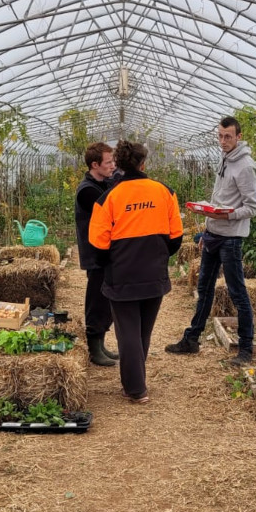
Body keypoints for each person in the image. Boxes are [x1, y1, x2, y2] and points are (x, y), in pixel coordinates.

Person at [89, 140, 183, 403]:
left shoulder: (108, 198)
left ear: (118, 164)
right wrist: (158, 256)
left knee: (127, 330)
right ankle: (137, 381)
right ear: (143, 164)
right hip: (154, 273)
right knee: (143, 330)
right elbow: (176, 238)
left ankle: (135, 389)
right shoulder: (165, 191)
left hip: (122, 275)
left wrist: (114, 261)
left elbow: (98, 244)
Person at [165, 116, 256, 367]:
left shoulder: (246, 166)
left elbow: (252, 207)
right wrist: (208, 218)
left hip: (230, 239)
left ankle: (246, 349)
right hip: (213, 235)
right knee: (204, 288)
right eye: (220, 136)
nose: (223, 141)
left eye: (228, 136)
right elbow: (222, 197)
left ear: (239, 136)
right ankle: (192, 339)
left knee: (237, 293)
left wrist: (227, 214)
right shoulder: (225, 159)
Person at [74, 142, 120, 367]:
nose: (113, 166)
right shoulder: (87, 191)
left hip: (107, 253)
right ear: (95, 165)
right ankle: (93, 346)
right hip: (95, 254)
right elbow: (110, 210)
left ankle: (101, 343)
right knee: (96, 299)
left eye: (113, 161)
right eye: (109, 162)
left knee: (106, 299)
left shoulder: (103, 183)